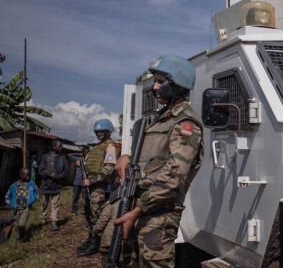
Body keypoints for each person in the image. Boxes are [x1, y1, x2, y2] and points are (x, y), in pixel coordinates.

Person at [114, 55, 204, 267]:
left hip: (159, 216)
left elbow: (174, 177)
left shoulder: (185, 122)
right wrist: (126, 157)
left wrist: (137, 211)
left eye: (160, 82)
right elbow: (150, 160)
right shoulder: (161, 119)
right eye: (154, 81)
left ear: (177, 84)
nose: (154, 87)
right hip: (142, 209)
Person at [76, 119, 119, 254]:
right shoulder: (97, 147)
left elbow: (109, 169)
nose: (99, 134)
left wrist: (92, 180)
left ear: (108, 131)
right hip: (92, 186)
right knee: (89, 214)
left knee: (96, 215)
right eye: (97, 131)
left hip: (99, 187)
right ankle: (91, 240)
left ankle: (95, 243)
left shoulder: (110, 146)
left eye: (102, 131)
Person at [38, 139, 68, 231]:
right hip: (46, 186)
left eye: (61, 146)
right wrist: (49, 174)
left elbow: (66, 170)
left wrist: (60, 176)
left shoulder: (63, 158)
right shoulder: (46, 157)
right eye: (59, 146)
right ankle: (43, 219)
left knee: (55, 205)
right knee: (44, 204)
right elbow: (40, 171)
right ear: (54, 147)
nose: (61, 148)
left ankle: (54, 222)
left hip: (57, 186)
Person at [5, 168, 39, 240]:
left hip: (26, 207)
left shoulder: (31, 184)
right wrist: (11, 204)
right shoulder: (14, 186)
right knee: (16, 224)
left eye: (29, 175)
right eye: (27, 175)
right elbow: (7, 196)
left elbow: (36, 193)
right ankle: (18, 239)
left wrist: (31, 201)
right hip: (16, 208)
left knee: (22, 224)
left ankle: (22, 234)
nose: (28, 177)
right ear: (21, 175)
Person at [68, 147, 89, 216]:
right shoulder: (78, 159)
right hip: (77, 181)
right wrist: (78, 153)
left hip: (84, 182)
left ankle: (87, 211)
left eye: (87, 152)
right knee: (75, 197)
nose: (86, 154)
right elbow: (69, 155)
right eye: (85, 152)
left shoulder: (89, 161)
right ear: (82, 153)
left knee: (85, 197)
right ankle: (74, 211)